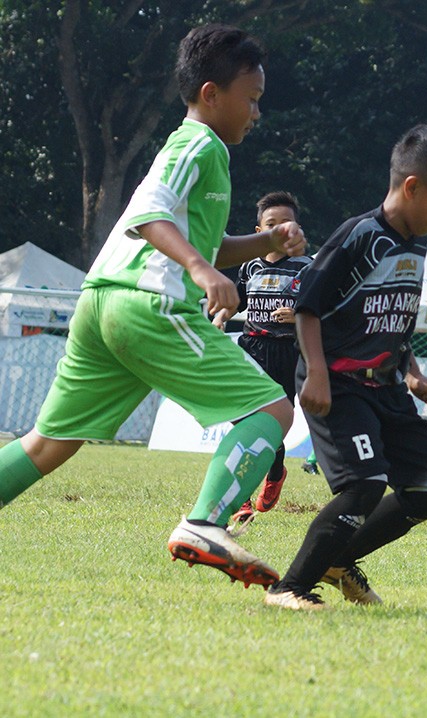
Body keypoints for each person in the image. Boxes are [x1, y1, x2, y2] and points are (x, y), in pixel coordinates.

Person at [0, 25, 306, 590]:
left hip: (102, 303)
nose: (257, 113)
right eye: (252, 98)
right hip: (148, 305)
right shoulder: (198, 144)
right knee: (271, 410)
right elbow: (148, 213)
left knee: (47, 443)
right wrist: (200, 271)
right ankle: (205, 525)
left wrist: (265, 243)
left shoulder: (202, 152)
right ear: (211, 94)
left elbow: (204, 242)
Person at [264, 124, 427, 610]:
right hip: (338, 383)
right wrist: (316, 371)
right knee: (364, 484)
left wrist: (413, 373)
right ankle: (289, 588)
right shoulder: (361, 236)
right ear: (412, 187)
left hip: (387, 388)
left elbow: (394, 320)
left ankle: (336, 561)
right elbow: (307, 305)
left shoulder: (417, 244)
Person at [222, 191, 313, 528]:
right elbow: (235, 300)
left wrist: (297, 315)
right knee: (241, 421)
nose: (279, 229)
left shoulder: (308, 267)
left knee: (272, 427)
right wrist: (220, 316)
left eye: (286, 223)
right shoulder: (251, 266)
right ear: (259, 230)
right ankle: (242, 499)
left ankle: (275, 471)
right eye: (271, 224)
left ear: (297, 229)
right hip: (250, 350)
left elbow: (322, 310)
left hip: (286, 354)